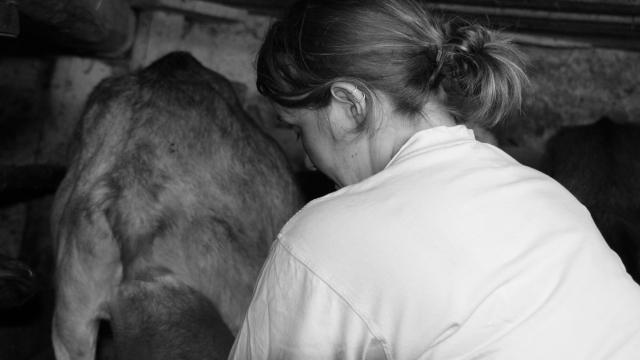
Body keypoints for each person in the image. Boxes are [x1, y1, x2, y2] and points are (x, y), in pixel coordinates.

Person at [229, 0, 640, 358]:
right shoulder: (542, 191)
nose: (308, 159)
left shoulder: (318, 241)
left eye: (300, 130)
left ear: (350, 105)